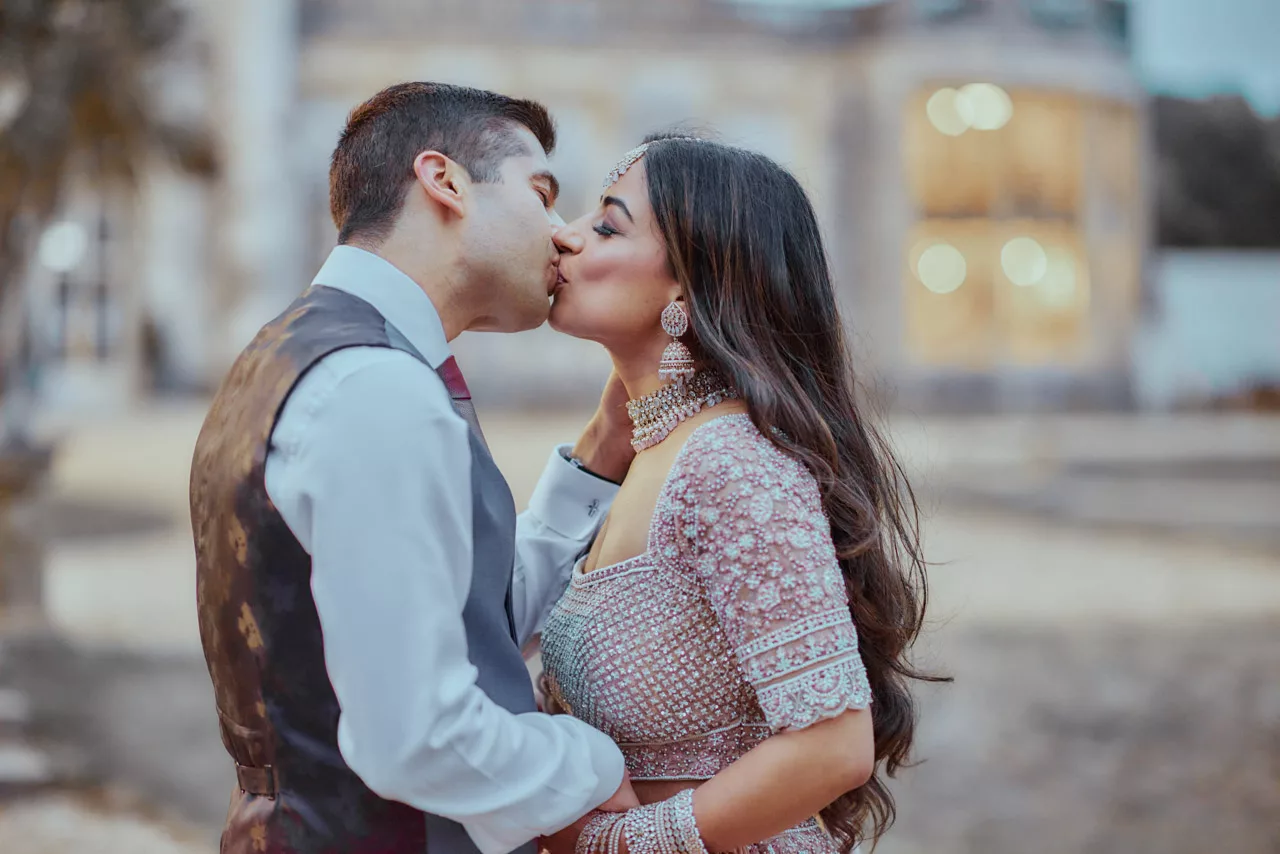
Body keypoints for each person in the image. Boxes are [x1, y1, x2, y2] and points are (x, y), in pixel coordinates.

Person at [189, 82, 639, 854]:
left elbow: (465, 615)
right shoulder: (376, 386)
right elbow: (416, 739)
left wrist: (597, 454)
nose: (564, 235)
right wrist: (594, 765)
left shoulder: (299, 350)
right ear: (445, 181)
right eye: (540, 192)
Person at [537, 135, 937, 854]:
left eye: (606, 225)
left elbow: (833, 747)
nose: (563, 235)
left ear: (687, 289)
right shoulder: (654, 451)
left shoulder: (727, 465)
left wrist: (619, 844)